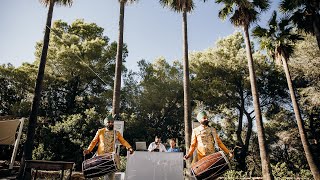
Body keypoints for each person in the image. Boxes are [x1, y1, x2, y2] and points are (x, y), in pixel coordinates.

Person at [83, 114, 134, 180]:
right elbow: (94, 142)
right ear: (105, 123)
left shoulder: (116, 133)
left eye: (112, 122)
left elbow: (123, 141)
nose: (111, 123)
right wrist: (88, 150)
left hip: (110, 158)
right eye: (109, 122)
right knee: (95, 177)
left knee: (110, 178)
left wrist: (129, 147)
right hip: (99, 157)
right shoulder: (100, 131)